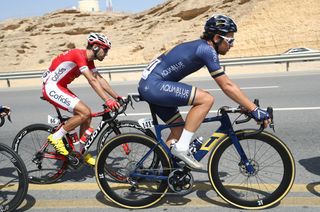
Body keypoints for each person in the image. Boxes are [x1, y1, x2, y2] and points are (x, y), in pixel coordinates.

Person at [138, 14, 271, 169]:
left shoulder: (201, 46)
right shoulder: (206, 50)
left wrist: (248, 106)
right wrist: (253, 109)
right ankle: (182, 148)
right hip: (155, 85)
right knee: (206, 99)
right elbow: (226, 85)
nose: (232, 45)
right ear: (216, 38)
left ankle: (162, 171)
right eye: (230, 40)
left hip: (152, 85)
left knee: (178, 129)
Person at [42, 32, 122, 166]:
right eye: (105, 49)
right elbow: (91, 80)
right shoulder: (78, 55)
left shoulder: (89, 61)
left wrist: (117, 97)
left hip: (60, 86)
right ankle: (56, 137)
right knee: (84, 112)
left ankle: (80, 153)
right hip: (51, 87)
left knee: (87, 115)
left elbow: (99, 79)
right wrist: (107, 100)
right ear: (96, 47)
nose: (106, 53)